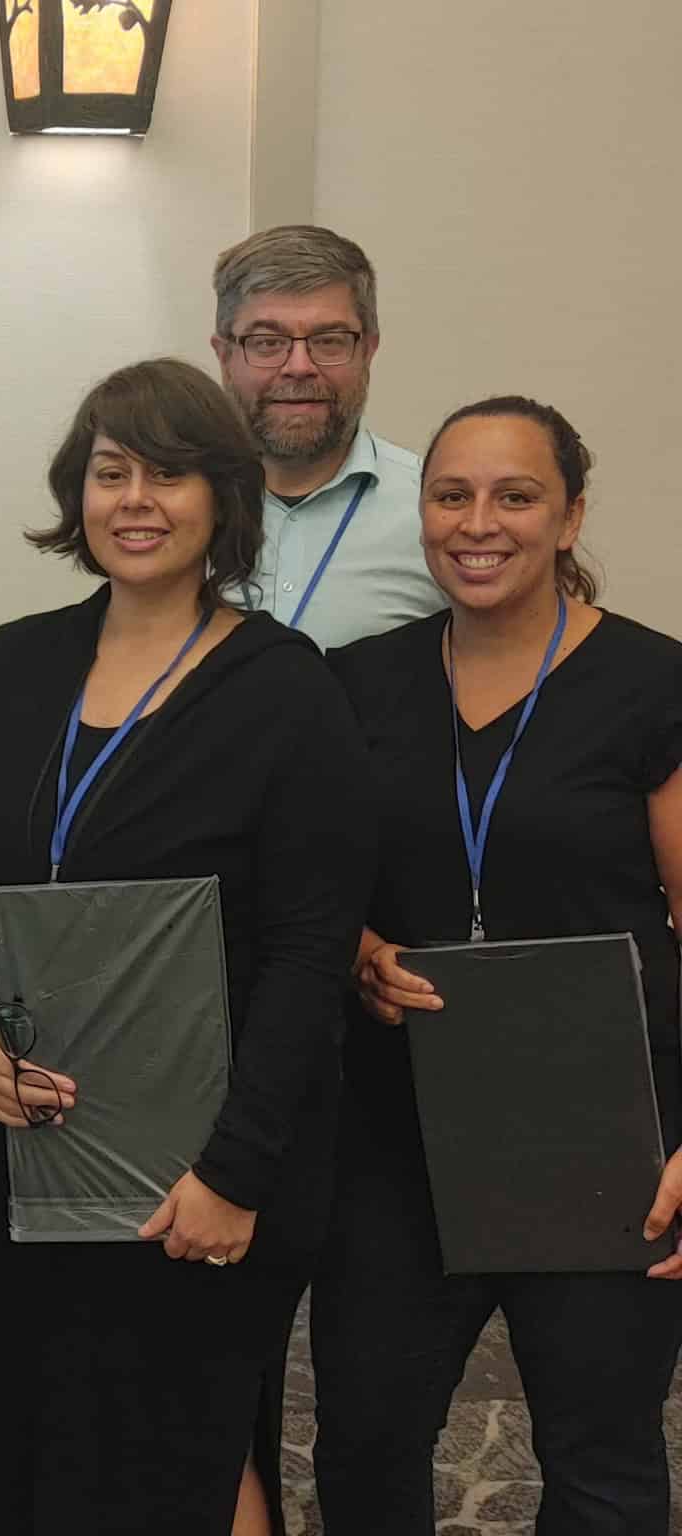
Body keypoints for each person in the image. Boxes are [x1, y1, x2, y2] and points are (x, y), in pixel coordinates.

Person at [0, 359, 372, 1534]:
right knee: (22, 1450)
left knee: (183, 1454)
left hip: (196, 1168)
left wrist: (234, 1173)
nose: (134, 499)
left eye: (167, 474)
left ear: (222, 497)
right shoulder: (8, 670)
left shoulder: (287, 692)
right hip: (24, 1145)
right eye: (108, 471)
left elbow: (306, 950)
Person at [312, 397, 682, 1533]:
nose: (477, 523)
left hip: (604, 1138)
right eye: (450, 494)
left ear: (568, 517)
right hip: (395, 1132)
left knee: (599, 1455)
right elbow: (304, 891)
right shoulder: (349, 682)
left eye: (514, 496)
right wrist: (358, 950)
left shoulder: (651, 684)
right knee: (364, 1438)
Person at [210, 224, 444, 648]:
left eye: (329, 341)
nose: (299, 366)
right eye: (267, 343)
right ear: (224, 356)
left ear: (369, 349)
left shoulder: (438, 512)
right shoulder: (173, 512)